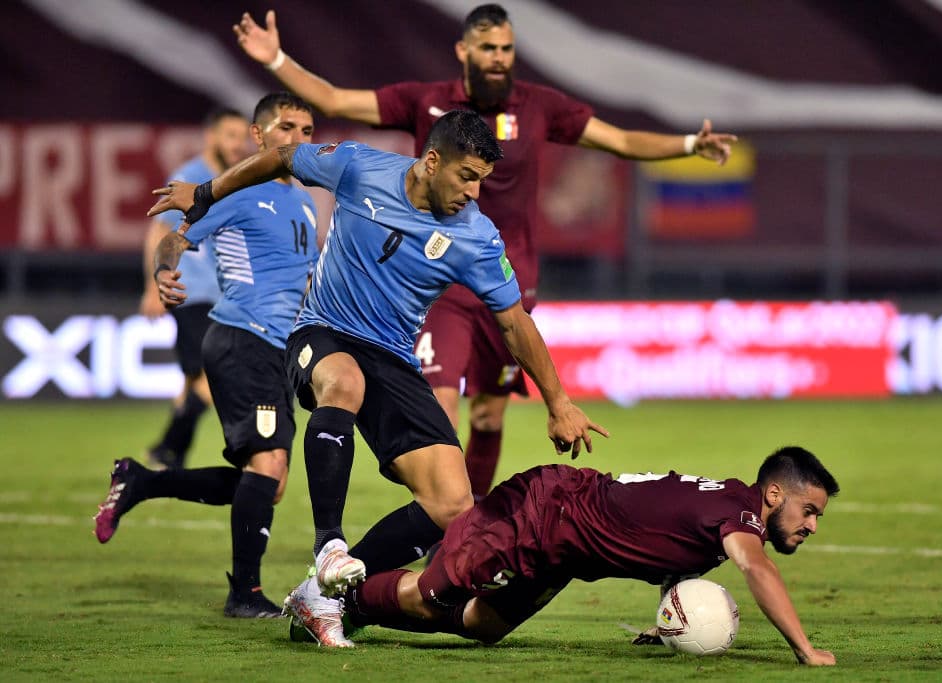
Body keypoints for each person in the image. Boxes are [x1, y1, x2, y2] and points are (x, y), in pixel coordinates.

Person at [233, 4, 737, 500]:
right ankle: (437, 512)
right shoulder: (428, 101)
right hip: (439, 282)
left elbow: (620, 140)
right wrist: (275, 59)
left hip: (507, 282)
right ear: (464, 50)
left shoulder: (540, 106)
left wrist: (688, 145)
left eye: (507, 49)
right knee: (441, 402)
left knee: (489, 416)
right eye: (489, 48)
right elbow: (334, 99)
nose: (499, 57)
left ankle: (464, 530)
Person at [146, 110, 608, 628]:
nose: (475, 193)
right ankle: (329, 545)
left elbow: (515, 322)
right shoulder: (358, 167)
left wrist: (558, 402)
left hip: (393, 357)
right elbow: (282, 157)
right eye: (466, 177)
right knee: (345, 382)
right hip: (322, 330)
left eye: (482, 180)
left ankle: (323, 595)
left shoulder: (476, 237)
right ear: (431, 162)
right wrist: (206, 192)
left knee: (451, 503)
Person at [284, 446, 839, 666]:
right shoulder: (739, 515)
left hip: (564, 548)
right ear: (773, 494)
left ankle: (353, 608)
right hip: (543, 513)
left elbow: (672, 547)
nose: (811, 525)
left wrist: (672, 618)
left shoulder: (726, 508)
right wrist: (805, 650)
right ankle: (328, 599)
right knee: (430, 595)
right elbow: (756, 567)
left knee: (484, 625)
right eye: (809, 510)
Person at [94, 92, 319, 618]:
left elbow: (301, 280)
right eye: (287, 128)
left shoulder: (307, 203)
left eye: (308, 131)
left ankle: (142, 481)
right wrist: (162, 273)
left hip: (277, 349)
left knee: (269, 483)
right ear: (259, 136)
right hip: (241, 338)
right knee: (267, 464)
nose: (299, 139)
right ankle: (245, 594)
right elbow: (175, 238)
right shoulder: (238, 190)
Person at [140, 107, 250, 470]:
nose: (238, 144)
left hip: (225, 295)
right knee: (217, 377)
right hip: (191, 293)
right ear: (211, 136)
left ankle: (171, 456)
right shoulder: (189, 178)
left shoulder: (237, 179)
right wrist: (153, 285)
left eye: (242, 137)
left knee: (193, 380)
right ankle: (168, 447)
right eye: (230, 135)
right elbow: (159, 232)